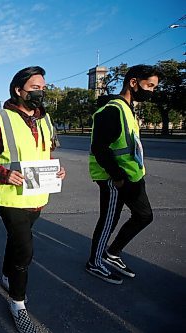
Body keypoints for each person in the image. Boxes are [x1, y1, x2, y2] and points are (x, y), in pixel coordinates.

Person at [0, 66, 65, 333]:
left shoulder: (45, 119)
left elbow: (45, 153)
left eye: (43, 88)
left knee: (16, 240)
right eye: (35, 87)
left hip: (38, 194)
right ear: (18, 90)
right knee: (25, 248)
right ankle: (18, 304)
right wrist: (2, 174)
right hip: (10, 196)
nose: (41, 92)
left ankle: (6, 275)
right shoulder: (0, 118)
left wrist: (57, 169)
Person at [87, 64, 161, 284]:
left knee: (144, 215)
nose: (151, 91)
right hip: (115, 178)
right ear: (133, 82)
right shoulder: (112, 110)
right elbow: (100, 150)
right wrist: (118, 178)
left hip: (132, 176)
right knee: (109, 220)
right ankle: (95, 261)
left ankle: (113, 253)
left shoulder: (128, 109)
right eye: (149, 85)